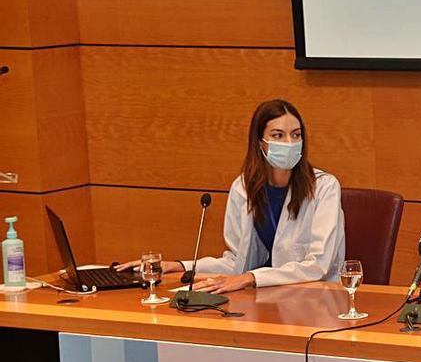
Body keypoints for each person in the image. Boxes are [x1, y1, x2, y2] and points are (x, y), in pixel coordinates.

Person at [118, 99, 346, 293]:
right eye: (278, 135)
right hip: (265, 297)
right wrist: (178, 266)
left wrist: (251, 278)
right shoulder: (245, 187)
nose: (289, 143)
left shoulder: (324, 187)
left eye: (296, 135)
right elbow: (236, 263)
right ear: (260, 143)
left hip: (313, 296)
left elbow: (318, 265)